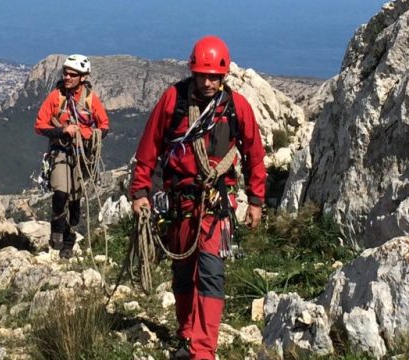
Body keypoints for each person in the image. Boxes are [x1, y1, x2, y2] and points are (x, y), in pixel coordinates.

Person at [130, 36, 266, 360]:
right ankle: (186, 333)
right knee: (183, 272)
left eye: (213, 76)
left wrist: (257, 200)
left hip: (215, 204)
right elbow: (148, 149)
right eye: (202, 75)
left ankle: (203, 351)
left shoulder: (236, 108)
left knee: (210, 271)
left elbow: (254, 154)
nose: (207, 82)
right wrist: (140, 191)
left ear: (223, 76)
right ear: (193, 72)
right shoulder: (173, 101)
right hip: (180, 204)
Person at [34, 54, 109, 259]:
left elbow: (104, 126)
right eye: (65, 73)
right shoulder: (55, 97)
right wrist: (63, 131)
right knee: (61, 192)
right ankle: (57, 230)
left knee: (76, 198)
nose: (67, 77)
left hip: (82, 153)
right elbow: (40, 125)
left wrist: (85, 135)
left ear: (82, 77)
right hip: (60, 151)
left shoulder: (90, 99)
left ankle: (69, 238)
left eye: (72, 75)